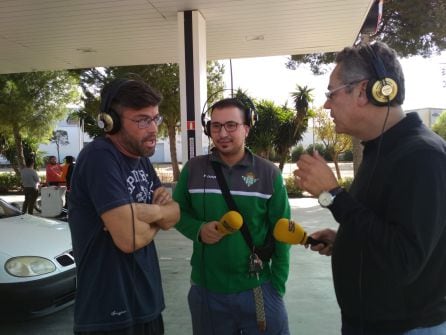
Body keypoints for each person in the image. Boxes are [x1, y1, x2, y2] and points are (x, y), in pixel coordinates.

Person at [294, 42, 446, 334]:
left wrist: (333, 196)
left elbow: (405, 260)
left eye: (331, 93)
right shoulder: (381, 151)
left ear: (363, 91)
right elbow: (387, 231)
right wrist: (346, 241)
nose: (327, 105)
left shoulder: (423, 156)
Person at [68, 78, 180, 335]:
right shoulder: (99, 157)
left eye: (155, 119)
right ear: (111, 122)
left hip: (148, 304)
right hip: (108, 313)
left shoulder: (141, 161)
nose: (153, 129)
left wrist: (149, 213)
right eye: (142, 120)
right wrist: (158, 220)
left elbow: (174, 214)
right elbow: (129, 238)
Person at [173, 98, 291, 334]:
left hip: (258, 289)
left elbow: (283, 230)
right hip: (206, 292)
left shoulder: (268, 174)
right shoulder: (194, 169)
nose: (222, 133)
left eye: (231, 125)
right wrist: (198, 229)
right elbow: (176, 213)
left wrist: (277, 284)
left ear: (247, 128)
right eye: (215, 126)